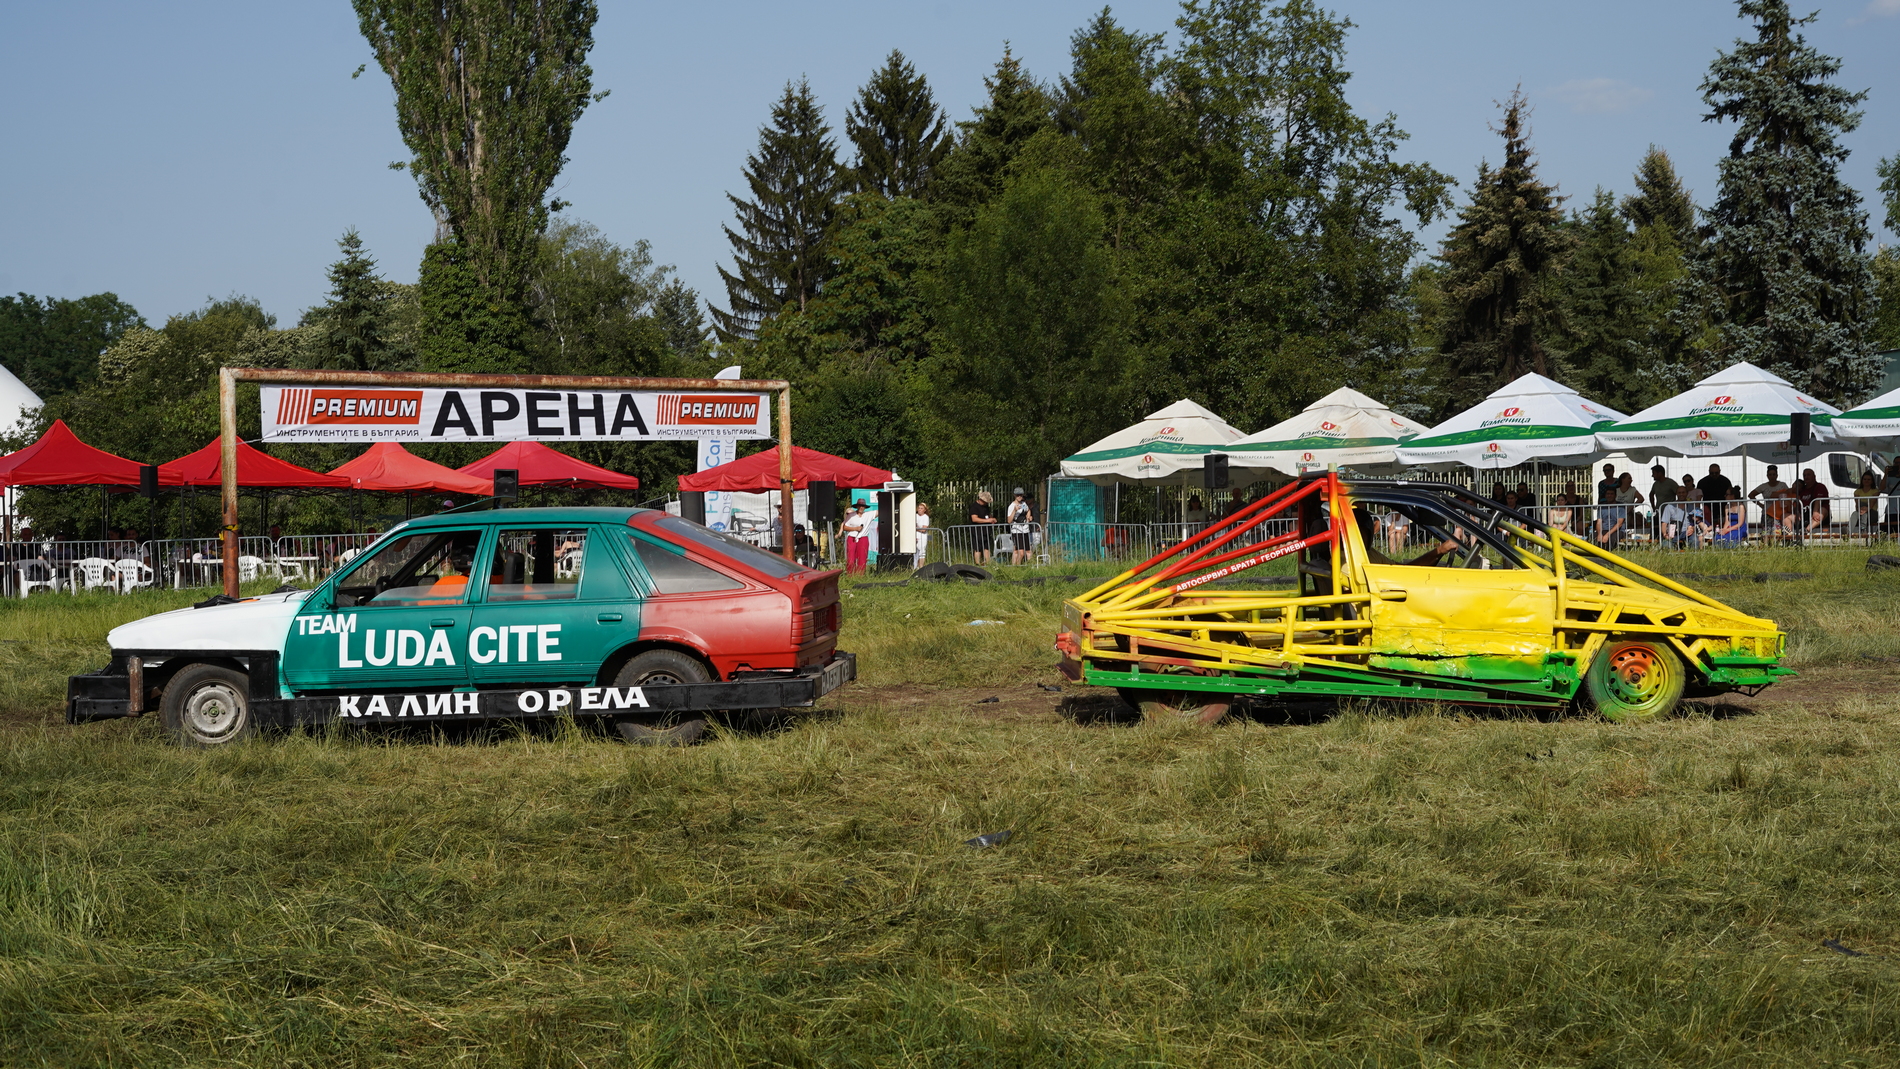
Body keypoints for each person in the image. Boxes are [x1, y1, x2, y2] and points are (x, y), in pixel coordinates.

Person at [1748, 465, 1794, 540]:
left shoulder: (1783, 485)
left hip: (1778, 513)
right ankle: (1766, 547)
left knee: (1777, 531)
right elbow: (1751, 495)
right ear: (1767, 476)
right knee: (1765, 532)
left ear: (1777, 475)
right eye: (1770, 474)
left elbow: (1788, 495)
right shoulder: (1764, 486)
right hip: (1766, 512)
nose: (1772, 476)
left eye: (1774, 474)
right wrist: (1760, 504)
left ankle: (1775, 547)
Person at [1648, 465, 1677, 541]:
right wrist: (1653, 507)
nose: (1652, 475)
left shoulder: (1671, 483)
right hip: (1659, 512)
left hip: (1669, 513)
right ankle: (1655, 542)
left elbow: (1679, 493)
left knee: (1668, 529)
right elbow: (1651, 494)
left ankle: (1668, 541)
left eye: (1654, 473)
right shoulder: (1655, 484)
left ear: (1660, 473)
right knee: (1655, 528)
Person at [1007, 488, 1036, 566]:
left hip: (1025, 530)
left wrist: (1029, 517)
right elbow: (1009, 521)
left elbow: (1028, 510)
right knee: (1021, 552)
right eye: (1018, 495)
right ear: (1014, 495)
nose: (1019, 496)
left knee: (1028, 551)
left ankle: (1031, 567)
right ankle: (1018, 567)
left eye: (1021, 495)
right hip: (1017, 531)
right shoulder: (1011, 506)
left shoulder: (1024, 504)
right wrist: (1014, 510)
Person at [1796, 468, 1830, 534]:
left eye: (1808, 475)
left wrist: (1815, 512)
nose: (1806, 477)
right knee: (1787, 516)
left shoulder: (1820, 486)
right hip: (1803, 514)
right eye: (1804, 475)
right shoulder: (1802, 489)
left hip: (1817, 513)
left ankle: (1806, 530)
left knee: (1822, 510)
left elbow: (1818, 500)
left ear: (1814, 476)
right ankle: (1788, 534)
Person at [841, 500, 870, 574]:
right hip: (852, 537)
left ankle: (860, 576)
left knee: (862, 559)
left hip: (863, 537)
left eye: (862, 506)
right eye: (859, 506)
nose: (861, 507)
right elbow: (844, 527)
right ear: (857, 506)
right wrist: (855, 528)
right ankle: (850, 575)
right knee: (851, 559)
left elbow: (879, 511)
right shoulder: (851, 515)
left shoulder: (868, 515)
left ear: (865, 507)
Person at [968, 490, 996, 564]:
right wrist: (987, 521)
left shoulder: (986, 506)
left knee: (987, 547)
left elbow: (988, 514)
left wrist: (992, 519)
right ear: (981, 500)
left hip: (986, 530)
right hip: (977, 531)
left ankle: (987, 562)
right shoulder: (974, 507)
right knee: (978, 548)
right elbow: (974, 519)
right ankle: (977, 563)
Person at [1850, 471, 1880, 539]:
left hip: (1872, 513)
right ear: (1862, 480)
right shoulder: (1857, 492)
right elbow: (1857, 505)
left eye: (1869, 479)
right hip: (1860, 513)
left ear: (1872, 481)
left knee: (1865, 511)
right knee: (1855, 513)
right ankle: (1849, 532)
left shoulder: (1875, 491)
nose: (1866, 481)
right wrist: (1862, 510)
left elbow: (1872, 504)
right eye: (1865, 479)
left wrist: (1865, 509)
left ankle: (1862, 529)